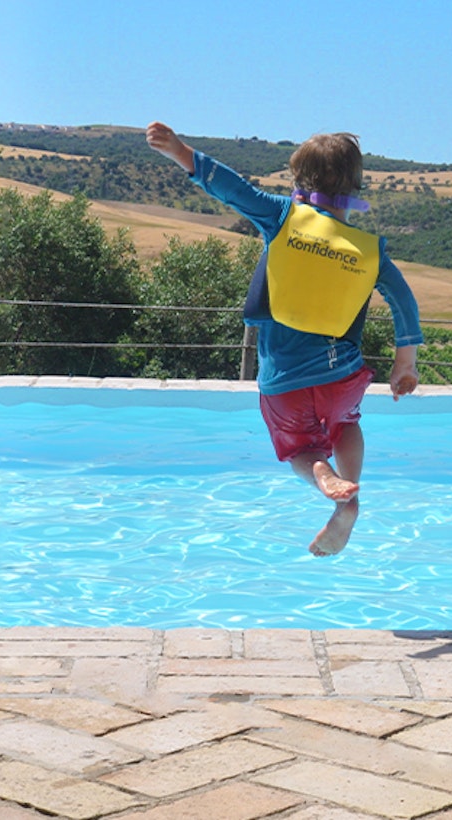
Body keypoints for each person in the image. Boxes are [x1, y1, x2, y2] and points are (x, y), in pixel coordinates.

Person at [146, 121, 423, 557]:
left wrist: (180, 151)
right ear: (355, 185)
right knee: (347, 423)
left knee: (300, 449)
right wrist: (404, 362)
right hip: (342, 379)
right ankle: (352, 495)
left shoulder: (280, 216)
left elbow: (232, 189)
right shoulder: (370, 251)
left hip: (285, 383)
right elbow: (404, 302)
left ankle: (324, 476)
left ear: (298, 180)